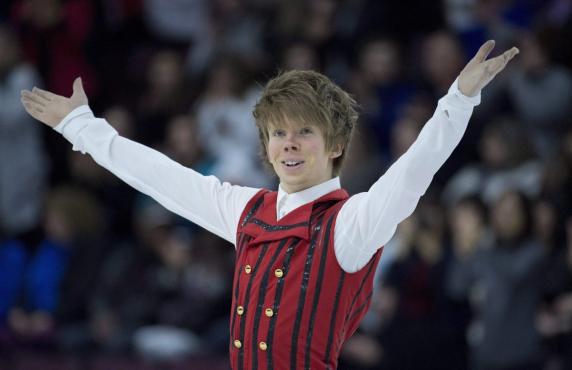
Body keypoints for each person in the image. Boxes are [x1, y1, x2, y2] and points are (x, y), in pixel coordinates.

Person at [20, 40, 518, 370]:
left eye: (305, 132)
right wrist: (82, 128)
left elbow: (414, 174)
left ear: (336, 145)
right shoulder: (247, 209)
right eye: (278, 133)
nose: (290, 145)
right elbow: (163, 180)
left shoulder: (350, 224)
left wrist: (457, 101)